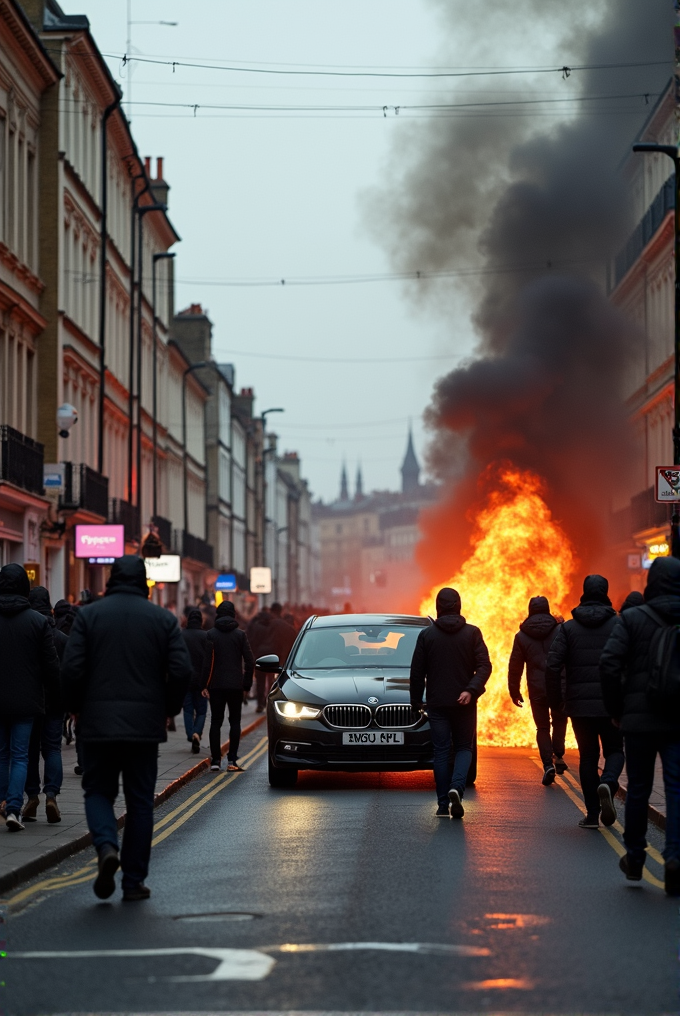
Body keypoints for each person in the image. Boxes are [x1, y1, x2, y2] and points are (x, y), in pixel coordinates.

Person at [61, 556, 191, 901]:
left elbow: (71, 669)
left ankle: (106, 846)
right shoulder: (162, 619)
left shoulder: (89, 616)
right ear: (145, 582)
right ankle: (133, 881)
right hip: (144, 727)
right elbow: (181, 670)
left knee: (98, 792)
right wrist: (169, 709)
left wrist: (75, 708)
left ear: (110, 580)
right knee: (139, 802)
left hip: (96, 723)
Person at [600, 557, 680, 895]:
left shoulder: (633, 619)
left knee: (638, 788)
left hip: (638, 720)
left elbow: (608, 664)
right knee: (676, 788)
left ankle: (634, 856)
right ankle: (675, 856)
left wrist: (617, 710)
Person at [546, 574, 623, 829]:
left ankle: (592, 815)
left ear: (584, 593)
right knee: (614, 751)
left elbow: (552, 665)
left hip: (579, 706)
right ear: (605, 592)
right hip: (612, 704)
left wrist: (557, 701)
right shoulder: (619, 624)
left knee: (588, 757)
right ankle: (609, 783)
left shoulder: (568, 627)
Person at [410, 587, 492, 818]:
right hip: (464, 704)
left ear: (438, 607)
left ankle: (442, 804)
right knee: (464, 747)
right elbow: (485, 666)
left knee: (442, 752)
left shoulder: (427, 636)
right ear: (458, 605)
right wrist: (471, 690)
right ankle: (457, 787)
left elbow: (417, 673)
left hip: (437, 704)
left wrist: (416, 701)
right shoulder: (472, 633)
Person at [0, 564, 59, 831]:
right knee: (21, 755)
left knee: (1, 755)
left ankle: (2, 804)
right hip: (27, 701)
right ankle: (14, 809)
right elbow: (51, 668)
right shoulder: (39, 622)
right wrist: (56, 700)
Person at [508, 596, 567, 786]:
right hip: (558, 685)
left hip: (537, 688)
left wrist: (514, 691)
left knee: (542, 727)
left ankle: (548, 764)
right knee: (559, 719)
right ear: (548, 610)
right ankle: (558, 754)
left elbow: (515, 667)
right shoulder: (560, 630)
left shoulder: (521, 636)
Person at [22, 587, 69, 823]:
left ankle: (31, 796)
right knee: (52, 748)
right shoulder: (62, 639)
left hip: (31, 700)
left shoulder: (26, 633)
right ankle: (51, 795)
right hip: (56, 701)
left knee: (30, 751)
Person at [204, 600, 255, 771]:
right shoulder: (240, 635)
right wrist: (246, 685)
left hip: (216, 685)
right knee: (235, 721)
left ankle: (215, 761)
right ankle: (232, 760)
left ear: (218, 614)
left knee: (215, 722)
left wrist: (204, 684)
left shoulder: (210, 634)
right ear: (233, 614)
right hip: (235, 685)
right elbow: (250, 661)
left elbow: (206, 663)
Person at [181, 608, 208, 754]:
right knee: (202, 710)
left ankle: (191, 734)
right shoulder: (206, 636)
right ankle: (197, 732)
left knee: (187, 709)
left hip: (185, 679)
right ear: (201, 620)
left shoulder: (181, 635)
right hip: (202, 680)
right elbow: (210, 660)